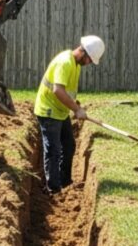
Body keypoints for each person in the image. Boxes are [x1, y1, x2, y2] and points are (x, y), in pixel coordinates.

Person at [33, 35, 105, 195]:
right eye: (90, 60)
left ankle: (65, 182)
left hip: (60, 110)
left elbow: (67, 90)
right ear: (83, 53)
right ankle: (53, 189)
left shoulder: (75, 64)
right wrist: (76, 110)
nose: (89, 64)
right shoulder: (65, 62)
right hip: (48, 111)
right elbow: (58, 90)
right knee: (53, 150)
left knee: (69, 145)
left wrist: (75, 104)